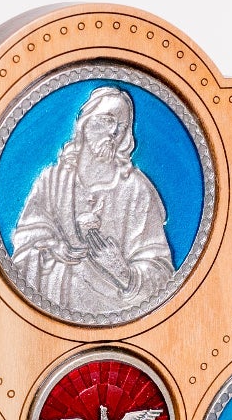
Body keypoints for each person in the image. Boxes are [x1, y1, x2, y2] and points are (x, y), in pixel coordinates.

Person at [10, 86, 175, 316]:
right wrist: (54, 248)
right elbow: (24, 246)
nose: (113, 132)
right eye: (107, 120)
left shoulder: (136, 190)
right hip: (53, 315)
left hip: (118, 321)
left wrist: (122, 271)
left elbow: (162, 273)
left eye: (121, 126)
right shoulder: (52, 181)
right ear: (84, 123)